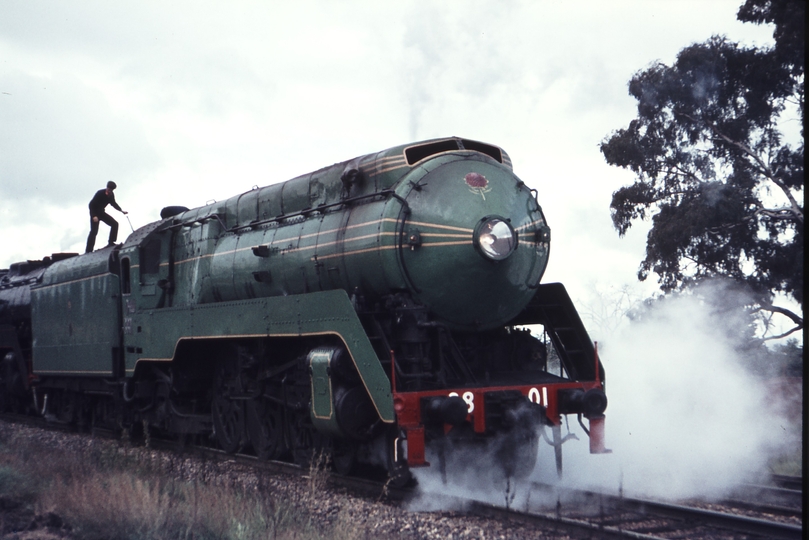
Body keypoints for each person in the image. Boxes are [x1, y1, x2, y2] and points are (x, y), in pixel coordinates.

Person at [85, 181, 128, 253]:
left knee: (115, 224)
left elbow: (113, 204)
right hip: (95, 213)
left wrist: (121, 210)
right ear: (106, 188)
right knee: (94, 231)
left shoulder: (111, 195)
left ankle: (111, 242)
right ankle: (88, 250)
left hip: (101, 212)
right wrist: (94, 216)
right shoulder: (100, 193)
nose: (109, 192)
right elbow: (91, 205)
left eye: (111, 190)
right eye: (108, 190)